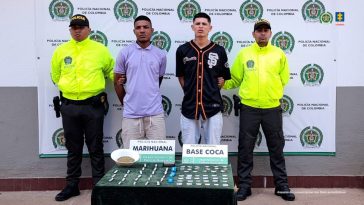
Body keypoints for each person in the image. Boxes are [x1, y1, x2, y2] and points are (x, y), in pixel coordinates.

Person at [223, 19, 295, 201]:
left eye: (266, 30)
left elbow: (283, 79)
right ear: (253, 34)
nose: (262, 33)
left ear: (270, 33)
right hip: (249, 108)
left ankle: (282, 186)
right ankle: (245, 187)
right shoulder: (244, 54)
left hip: (272, 108)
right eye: (259, 31)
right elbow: (236, 79)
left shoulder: (279, 54)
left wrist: (271, 94)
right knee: (245, 149)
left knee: (276, 148)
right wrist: (222, 84)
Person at [50, 14, 114, 201]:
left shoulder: (100, 50)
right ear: (70, 30)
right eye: (74, 27)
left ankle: (98, 186)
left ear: (89, 29)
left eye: (81, 27)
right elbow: (55, 75)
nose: (77, 30)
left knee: (95, 147)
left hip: (93, 106)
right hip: (69, 106)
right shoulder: (61, 51)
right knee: (73, 147)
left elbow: (112, 72)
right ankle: (72, 185)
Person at [175, 12, 231, 145]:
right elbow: (181, 77)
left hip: (213, 105)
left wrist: (217, 86)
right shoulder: (182, 50)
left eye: (204, 24)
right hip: (190, 105)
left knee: (213, 147)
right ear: (192, 27)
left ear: (210, 28)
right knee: (189, 147)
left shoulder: (219, 50)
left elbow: (223, 77)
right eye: (197, 24)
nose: (201, 26)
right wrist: (190, 91)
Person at [114, 15, 167, 149]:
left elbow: (158, 81)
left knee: (158, 157)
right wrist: (127, 102)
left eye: (145, 27)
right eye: (138, 27)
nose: (142, 30)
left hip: (155, 114)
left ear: (152, 30)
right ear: (134, 31)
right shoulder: (125, 53)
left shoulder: (160, 54)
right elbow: (117, 83)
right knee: (130, 158)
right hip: (131, 115)